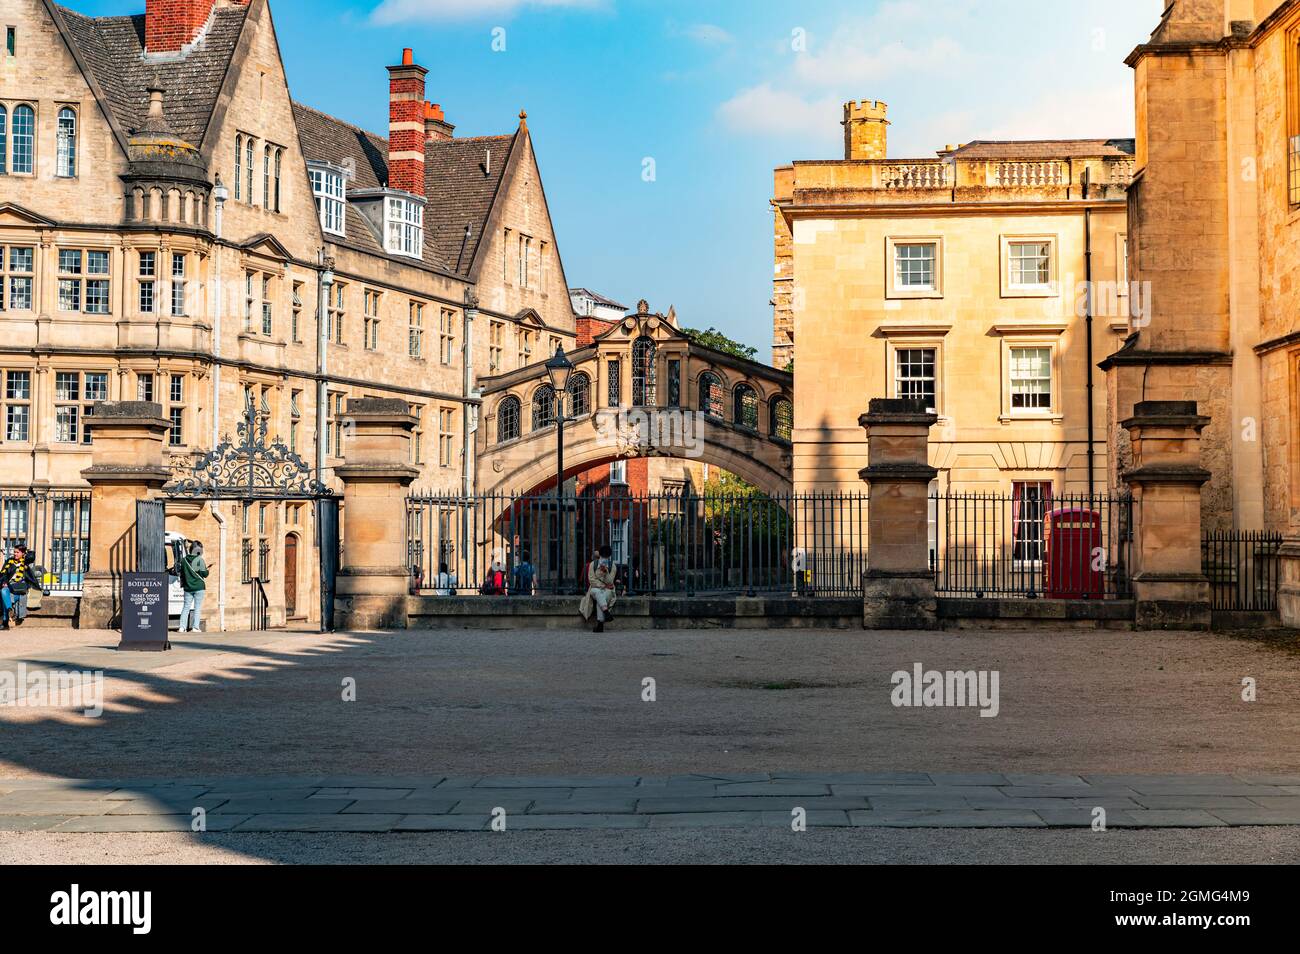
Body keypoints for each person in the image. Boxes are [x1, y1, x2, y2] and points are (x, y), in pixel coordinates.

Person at [0, 545, 44, 627]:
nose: (15, 554)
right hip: (9, 587)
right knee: (3, 591)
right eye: (14, 552)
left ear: (23, 553)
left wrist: (26, 551)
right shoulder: (9, 561)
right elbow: (3, 574)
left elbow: (32, 556)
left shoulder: (25, 562)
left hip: (20, 590)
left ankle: (5, 622)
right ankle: (10, 610)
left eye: (17, 552)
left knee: (5, 598)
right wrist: (4, 582)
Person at [579, 545, 618, 633]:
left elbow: (610, 582)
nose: (604, 558)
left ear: (609, 557)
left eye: (606, 557)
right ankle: (606, 614)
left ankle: (601, 623)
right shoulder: (593, 564)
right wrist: (602, 586)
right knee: (598, 592)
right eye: (603, 557)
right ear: (600, 556)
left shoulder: (613, 566)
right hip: (594, 589)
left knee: (601, 597)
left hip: (608, 590)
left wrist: (606, 572)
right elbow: (592, 580)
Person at [176, 540, 209, 633]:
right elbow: (204, 574)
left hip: (188, 587)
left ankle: (182, 627)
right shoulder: (199, 560)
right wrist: (207, 570)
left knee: (186, 607)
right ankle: (195, 627)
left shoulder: (184, 560)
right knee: (197, 607)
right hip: (199, 587)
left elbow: (182, 573)